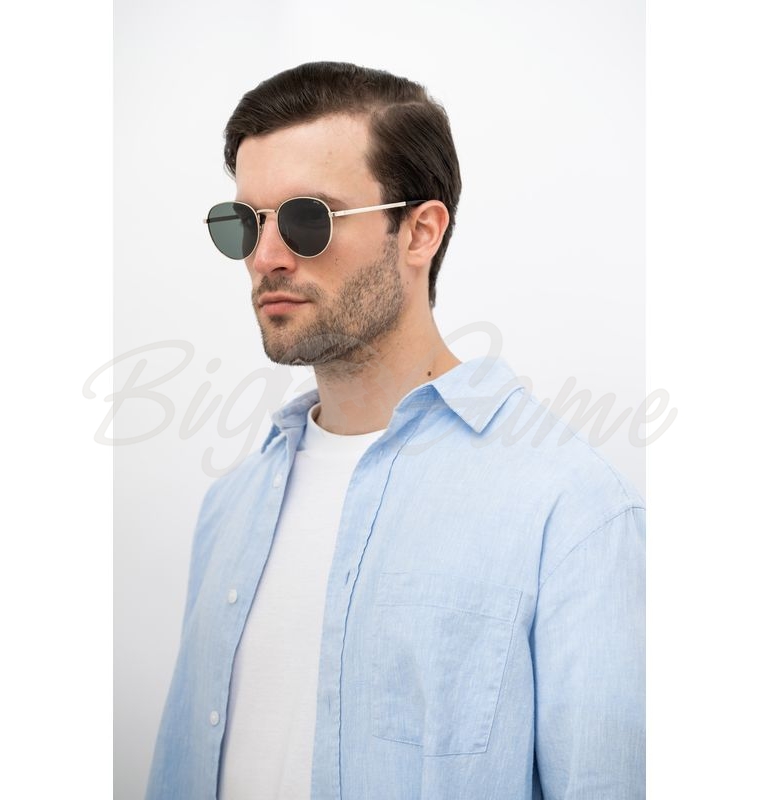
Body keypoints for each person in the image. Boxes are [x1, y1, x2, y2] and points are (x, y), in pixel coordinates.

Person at [146, 61, 645, 800]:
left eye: (309, 219)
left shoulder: (569, 509)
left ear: (419, 231)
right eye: (245, 223)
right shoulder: (231, 507)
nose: (266, 257)